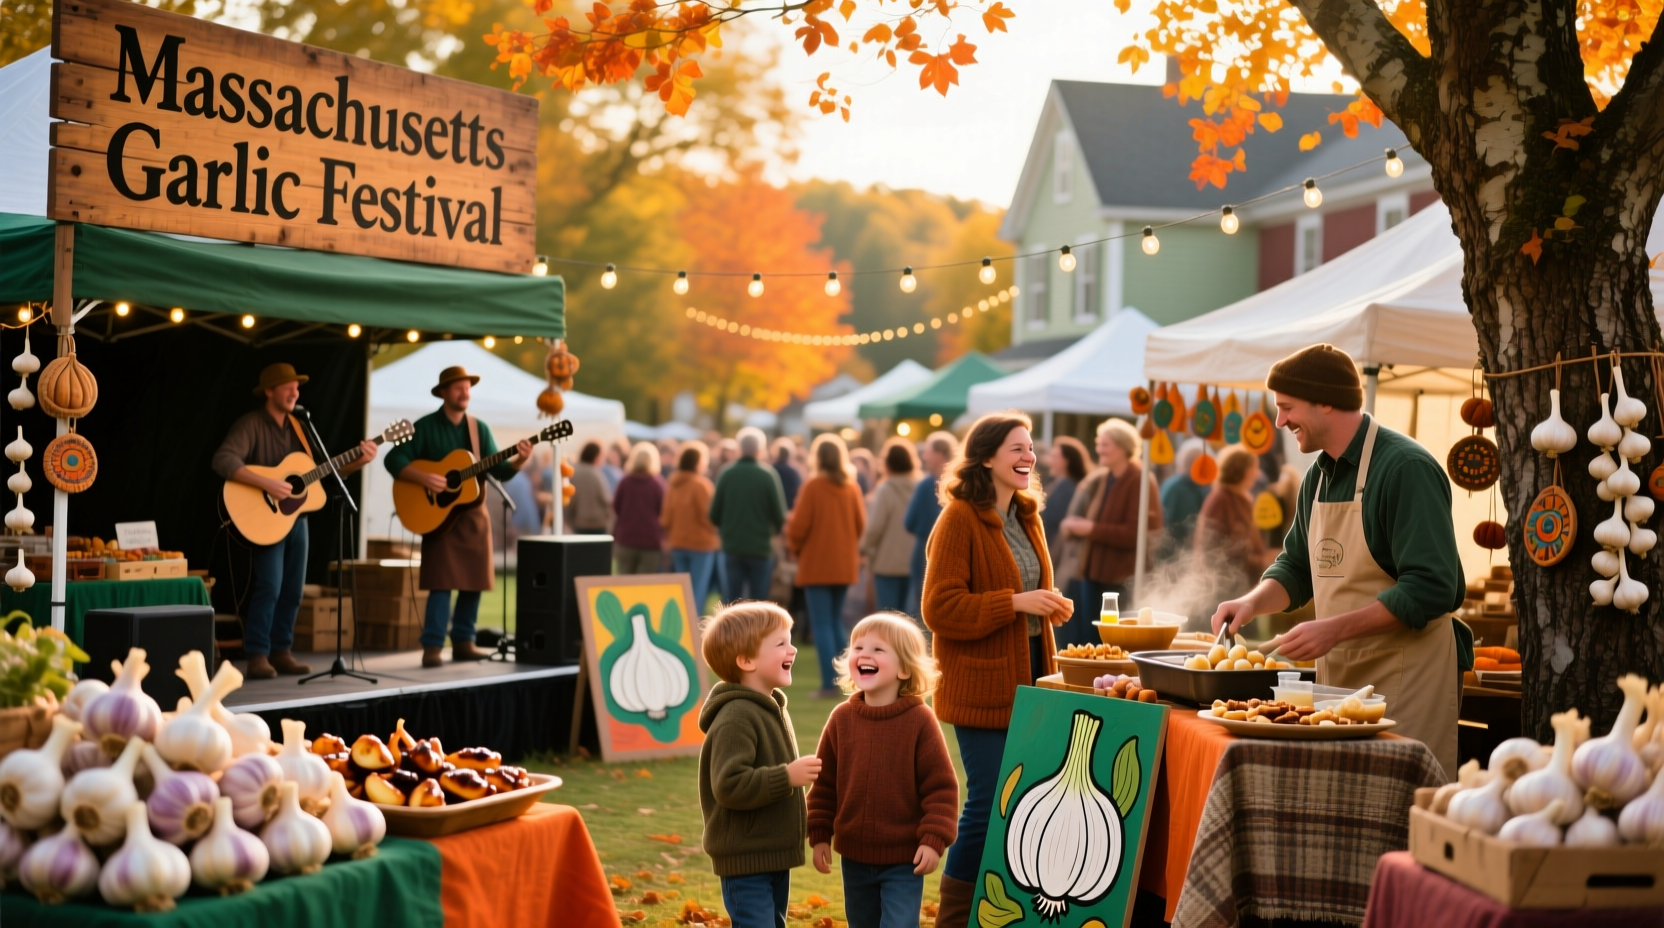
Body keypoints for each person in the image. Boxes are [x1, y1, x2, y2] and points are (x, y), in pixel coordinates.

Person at [1211, 344, 1468, 780]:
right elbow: (1297, 567)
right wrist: (1252, 603)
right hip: (1340, 682)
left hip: (1408, 678)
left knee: (1403, 802)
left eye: (1287, 407)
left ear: (1326, 400)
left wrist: (1333, 629)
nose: (1280, 421)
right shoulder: (1318, 476)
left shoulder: (1404, 468)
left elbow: (1432, 587)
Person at [921, 412, 1073, 928]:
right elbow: (939, 608)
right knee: (988, 802)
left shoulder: (1028, 516)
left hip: (1033, 680)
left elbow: (1026, 591)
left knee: (1022, 801)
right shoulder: (958, 518)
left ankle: (998, 911)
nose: (1029, 456)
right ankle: (953, 918)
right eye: (1017, 448)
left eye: (1030, 448)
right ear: (986, 457)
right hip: (981, 686)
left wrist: (1047, 603)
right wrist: (1015, 602)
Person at [213, 363, 378, 679]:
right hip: (266, 519)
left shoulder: (300, 427)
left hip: (296, 519)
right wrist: (268, 484)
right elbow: (223, 460)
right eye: (288, 386)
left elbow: (322, 472)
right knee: (270, 587)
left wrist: (359, 460)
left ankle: (281, 651)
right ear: (269, 391)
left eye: (297, 387)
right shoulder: (251, 424)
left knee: (293, 589)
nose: (295, 392)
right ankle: (258, 655)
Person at [808, 613, 957, 927]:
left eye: (878, 649)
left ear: (904, 668)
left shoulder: (920, 721)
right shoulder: (841, 719)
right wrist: (819, 833)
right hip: (854, 857)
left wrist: (933, 840)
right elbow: (823, 785)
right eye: (858, 647)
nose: (864, 654)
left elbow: (941, 789)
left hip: (904, 860)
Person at [385, 365, 533, 668]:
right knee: (441, 582)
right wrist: (424, 477)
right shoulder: (425, 427)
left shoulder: (479, 429)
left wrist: (519, 461)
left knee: (474, 581)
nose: (465, 392)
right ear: (443, 392)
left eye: (467, 387)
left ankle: (465, 641)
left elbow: (498, 471)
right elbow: (393, 459)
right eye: (458, 387)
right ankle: (433, 646)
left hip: (473, 516)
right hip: (437, 518)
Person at [697, 601, 820, 928]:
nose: (793, 649)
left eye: (790, 640)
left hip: (772, 852)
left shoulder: (770, 706)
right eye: (781, 643)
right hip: (745, 858)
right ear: (746, 661)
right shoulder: (736, 717)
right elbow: (729, 785)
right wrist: (787, 777)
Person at [1060, 419, 1162, 640]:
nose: (1099, 449)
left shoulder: (1140, 479)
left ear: (1123, 447)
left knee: (1115, 641)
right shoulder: (1104, 477)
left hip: (1121, 579)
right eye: (1099, 443)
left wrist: (1090, 528)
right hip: (1093, 573)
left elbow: (1138, 534)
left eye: (1105, 444)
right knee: (1091, 639)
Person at [786, 434, 867, 698]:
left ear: (817, 457)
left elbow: (798, 527)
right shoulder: (851, 487)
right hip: (843, 564)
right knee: (834, 621)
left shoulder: (813, 486)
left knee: (822, 624)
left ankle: (829, 684)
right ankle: (850, 678)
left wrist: (795, 548)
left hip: (817, 564)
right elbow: (861, 525)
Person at [710, 427, 788, 602]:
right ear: (760, 449)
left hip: (732, 547)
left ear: (739, 448)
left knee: (732, 603)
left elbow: (714, 515)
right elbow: (779, 516)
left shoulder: (727, 473)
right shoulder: (768, 475)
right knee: (758, 604)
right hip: (760, 548)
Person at [1194, 445, 1280, 598]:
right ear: (1239, 470)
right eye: (1253, 468)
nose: (1257, 473)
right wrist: (1260, 560)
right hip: (1223, 587)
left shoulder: (1243, 499)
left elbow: (1253, 546)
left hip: (1244, 584)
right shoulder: (1219, 500)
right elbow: (1211, 552)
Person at [903, 431, 957, 620]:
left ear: (940, 454)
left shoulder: (927, 485)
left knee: (923, 604)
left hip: (926, 548)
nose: (924, 456)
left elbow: (909, 522)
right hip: (955, 550)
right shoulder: (960, 482)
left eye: (928, 451)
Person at [861, 439, 919, 615]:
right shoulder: (920, 487)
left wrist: (864, 548)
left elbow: (874, 527)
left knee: (888, 618)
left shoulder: (885, 489)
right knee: (909, 619)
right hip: (914, 562)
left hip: (887, 563)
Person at [663, 440, 721, 616]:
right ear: (699, 462)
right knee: (697, 591)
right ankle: (694, 626)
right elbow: (710, 517)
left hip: (678, 543)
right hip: (701, 544)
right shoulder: (701, 485)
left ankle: (683, 624)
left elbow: (666, 517)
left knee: (682, 590)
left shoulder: (673, 484)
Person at [612, 442, 667, 574]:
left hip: (626, 538)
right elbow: (663, 510)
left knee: (624, 579)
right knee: (645, 582)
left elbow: (616, 507)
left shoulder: (625, 482)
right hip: (650, 539)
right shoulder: (657, 484)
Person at [1040, 436, 1089, 556]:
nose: (1051, 460)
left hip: (1055, 550)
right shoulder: (1056, 482)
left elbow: (1054, 519)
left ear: (1067, 460)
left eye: (1055, 457)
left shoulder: (1068, 487)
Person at [1160, 438, 1210, 554]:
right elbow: (1171, 523)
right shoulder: (1178, 488)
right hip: (1175, 551)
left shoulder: (1200, 487)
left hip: (1184, 549)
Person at [566, 441, 612, 535]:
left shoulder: (573, 471)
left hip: (579, 522)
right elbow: (605, 499)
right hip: (598, 523)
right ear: (596, 456)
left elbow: (570, 498)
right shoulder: (595, 474)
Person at [771, 438, 804, 510]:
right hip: (790, 509)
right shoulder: (794, 471)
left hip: (773, 509)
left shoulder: (770, 469)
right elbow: (799, 492)